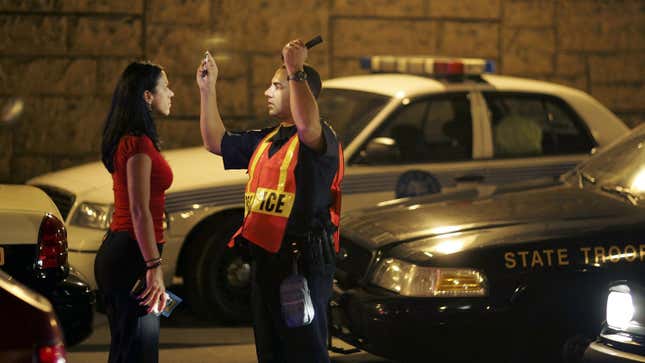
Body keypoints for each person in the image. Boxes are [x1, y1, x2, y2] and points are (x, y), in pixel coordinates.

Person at [196, 39, 344, 363]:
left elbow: (307, 124)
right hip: (267, 262)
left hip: (302, 263)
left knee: (304, 351)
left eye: (277, 86)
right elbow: (215, 141)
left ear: (297, 89)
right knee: (271, 349)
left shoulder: (319, 138)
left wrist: (296, 69)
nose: (267, 92)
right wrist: (208, 90)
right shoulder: (266, 139)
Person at [95, 61, 174, 363]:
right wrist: (153, 266)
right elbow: (139, 210)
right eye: (165, 86)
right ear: (147, 97)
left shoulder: (132, 139)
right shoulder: (138, 144)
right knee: (138, 350)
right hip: (133, 255)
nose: (171, 93)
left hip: (127, 250)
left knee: (129, 346)